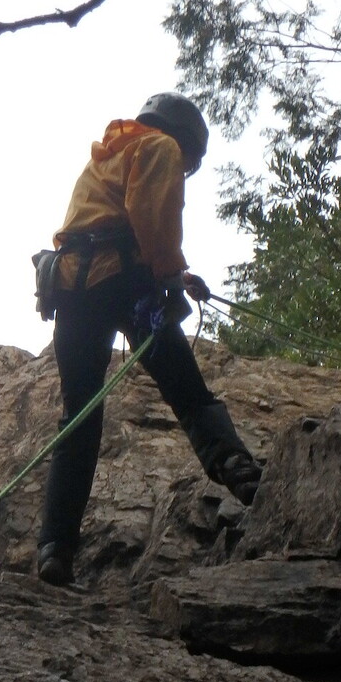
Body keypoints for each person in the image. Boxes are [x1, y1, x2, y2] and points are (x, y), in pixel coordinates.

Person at [34, 92, 263, 586]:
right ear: (186, 139)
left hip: (73, 288)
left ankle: (55, 547)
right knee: (186, 389)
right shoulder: (160, 148)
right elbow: (151, 219)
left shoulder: (108, 155)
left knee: (80, 416)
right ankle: (236, 467)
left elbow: (113, 224)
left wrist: (175, 276)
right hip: (127, 285)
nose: (187, 170)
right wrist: (170, 273)